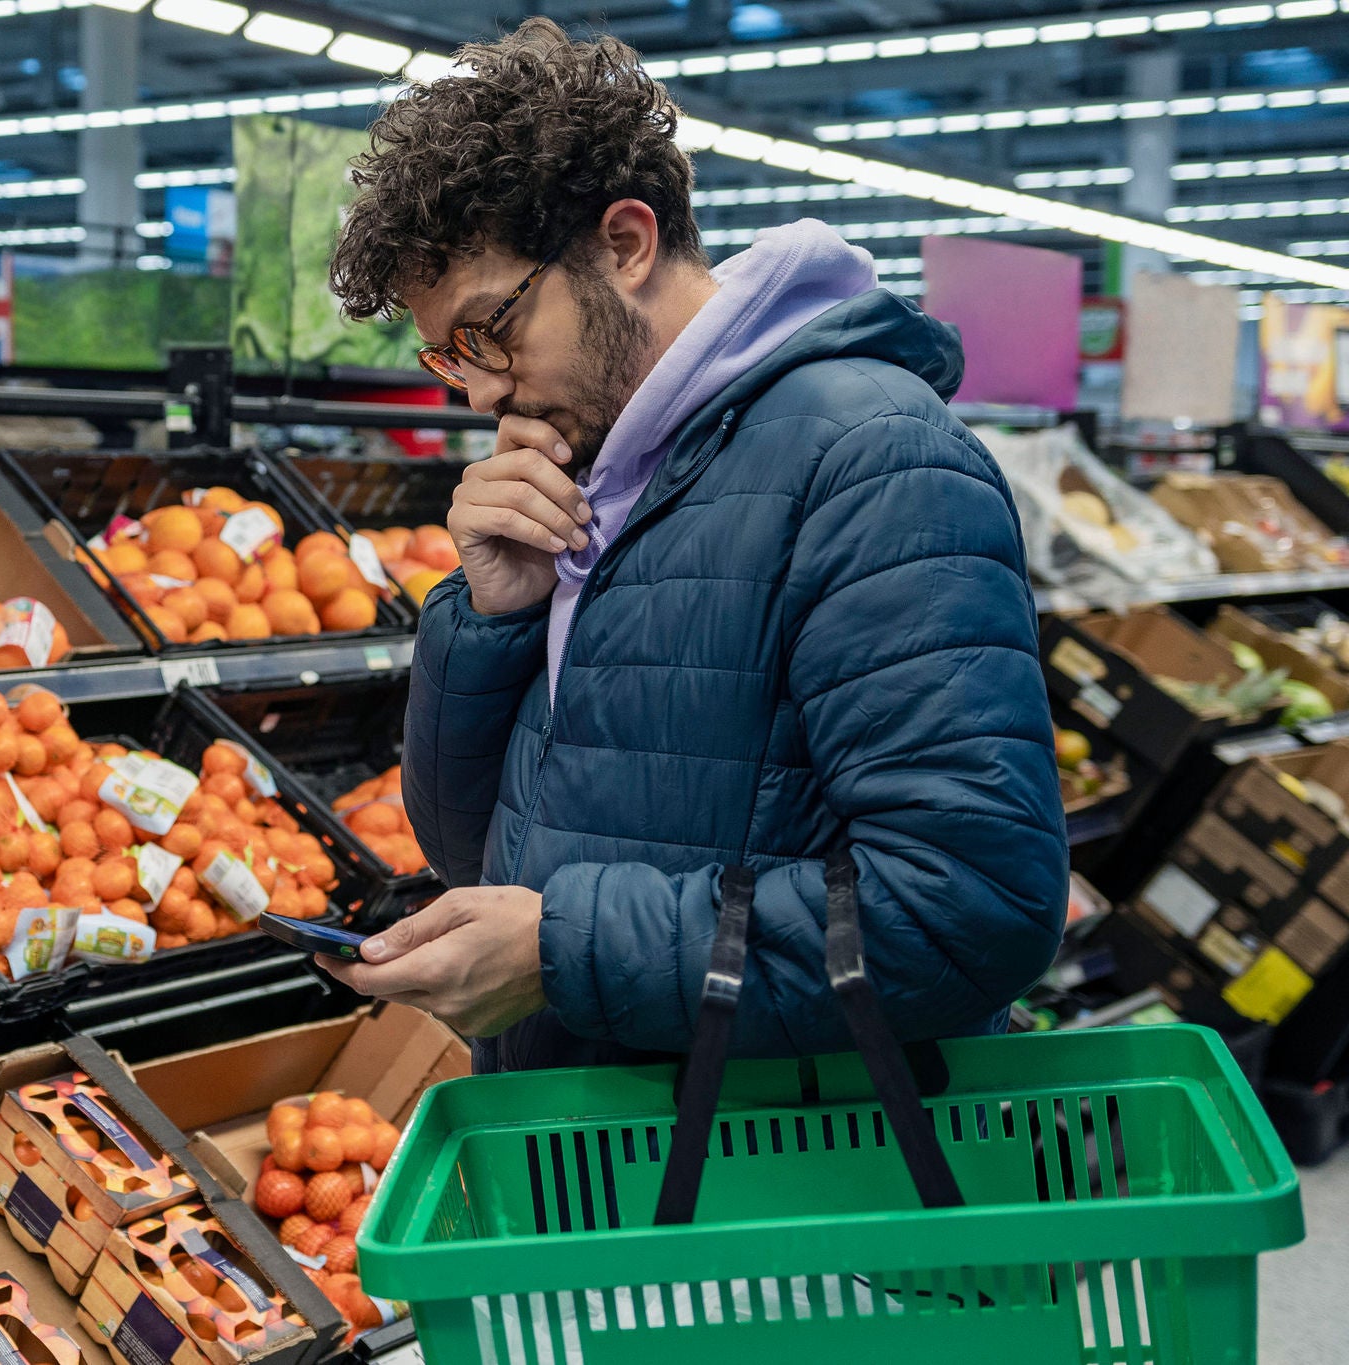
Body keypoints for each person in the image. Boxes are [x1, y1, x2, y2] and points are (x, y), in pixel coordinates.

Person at [319, 18, 1068, 1072]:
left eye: (491, 332)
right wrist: (490, 619)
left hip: (776, 1195)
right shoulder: (595, 474)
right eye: (449, 356)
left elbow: (969, 908)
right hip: (611, 1173)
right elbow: (473, 850)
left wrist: (563, 950)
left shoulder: (871, 461)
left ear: (623, 245)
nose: (479, 391)